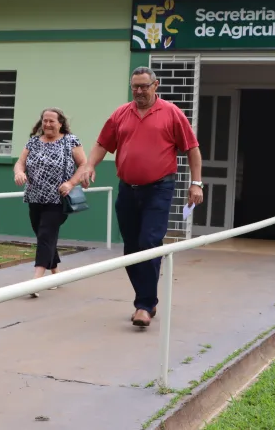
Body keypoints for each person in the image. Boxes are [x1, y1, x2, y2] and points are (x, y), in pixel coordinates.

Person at [79, 67, 203, 327]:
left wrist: (196, 184)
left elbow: (192, 148)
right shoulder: (121, 113)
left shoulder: (171, 113)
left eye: (144, 86)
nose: (139, 91)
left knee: (149, 242)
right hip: (127, 189)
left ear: (155, 85)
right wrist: (89, 165)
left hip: (159, 188)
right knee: (132, 248)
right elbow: (102, 143)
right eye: (134, 86)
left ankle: (143, 305)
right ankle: (148, 298)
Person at [13, 107, 87, 298]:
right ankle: (56, 274)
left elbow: (83, 164)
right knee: (43, 235)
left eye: (51, 121)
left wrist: (71, 183)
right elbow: (20, 162)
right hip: (34, 197)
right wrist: (19, 172)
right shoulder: (33, 142)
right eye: (45, 120)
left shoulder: (70, 141)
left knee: (46, 234)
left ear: (60, 123)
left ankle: (36, 281)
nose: (47, 124)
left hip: (58, 199)